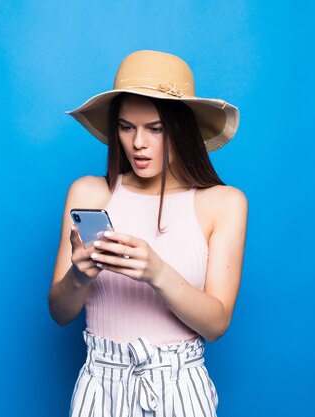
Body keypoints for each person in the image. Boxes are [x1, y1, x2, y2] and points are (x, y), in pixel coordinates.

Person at [48, 50, 248, 417]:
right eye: (126, 127)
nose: (138, 142)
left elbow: (217, 324)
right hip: (100, 385)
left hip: (179, 388)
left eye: (155, 128)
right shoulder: (90, 194)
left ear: (181, 129)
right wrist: (79, 275)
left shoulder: (223, 203)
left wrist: (156, 272)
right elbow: (60, 313)